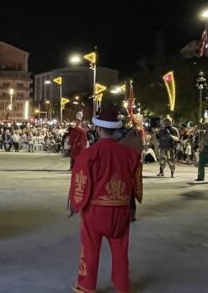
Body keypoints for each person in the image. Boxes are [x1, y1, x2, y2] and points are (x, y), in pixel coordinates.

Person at [68, 105, 141, 293]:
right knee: (120, 250)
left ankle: (86, 286)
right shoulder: (131, 154)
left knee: (90, 249)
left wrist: (77, 203)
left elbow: (80, 181)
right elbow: (136, 182)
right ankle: (123, 286)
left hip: (95, 210)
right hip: (121, 209)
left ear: (98, 128)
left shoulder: (89, 154)